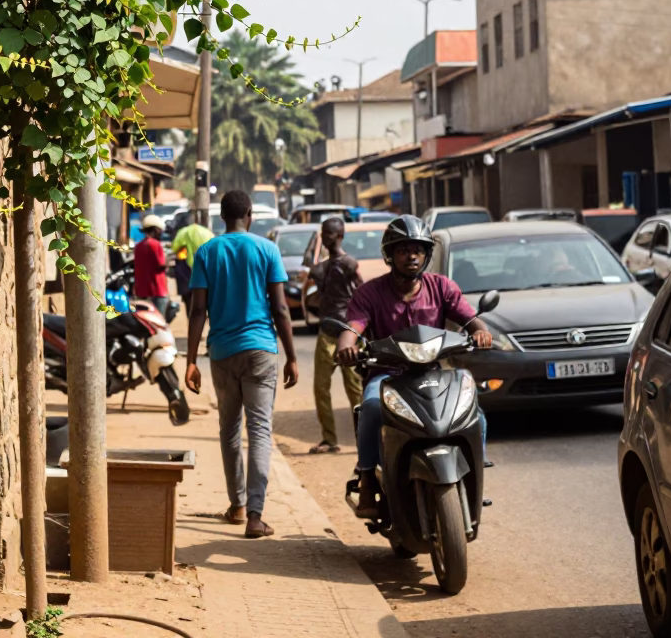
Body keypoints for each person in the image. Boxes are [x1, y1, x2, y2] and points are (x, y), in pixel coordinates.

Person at [336, 215, 493, 518]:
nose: (412, 256)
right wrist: (346, 346)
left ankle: (475, 477)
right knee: (369, 407)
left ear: (426, 255)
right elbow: (352, 327)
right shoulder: (370, 293)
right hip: (387, 376)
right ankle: (367, 478)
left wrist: (479, 332)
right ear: (390, 255)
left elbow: (470, 318)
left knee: (477, 416)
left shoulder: (442, 287)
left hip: (433, 374)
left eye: (418, 250)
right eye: (404, 250)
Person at [185, 190, 298, 539]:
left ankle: (235, 505)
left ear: (222, 217)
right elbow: (280, 309)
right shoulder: (267, 249)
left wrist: (190, 360)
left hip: (221, 352)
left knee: (229, 429)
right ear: (249, 214)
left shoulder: (207, 252)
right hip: (261, 350)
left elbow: (197, 310)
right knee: (260, 430)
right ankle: (255, 514)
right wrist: (292, 355)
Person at [307, 218, 364, 454]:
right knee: (321, 387)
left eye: (329, 233)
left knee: (355, 388)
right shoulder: (322, 267)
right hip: (326, 333)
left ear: (340, 236)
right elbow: (312, 278)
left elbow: (362, 295)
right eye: (323, 233)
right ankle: (329, 439)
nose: (325, 237)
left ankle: (364, 438)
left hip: (347, 334)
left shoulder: (349, 264)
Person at [172, 220, 215, 316]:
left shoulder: (182, 233)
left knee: (190, 302)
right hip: (205, 271)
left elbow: (175, 248)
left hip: (186, 272)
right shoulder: (207, 233)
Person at [134, 215, 169, 315]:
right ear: (155, 229)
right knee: (159, 320)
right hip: (157, 290)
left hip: (141, 291)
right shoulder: (156, 244)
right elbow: (160, 264)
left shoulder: (138, 246)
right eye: (159, 230)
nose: (161, 232)